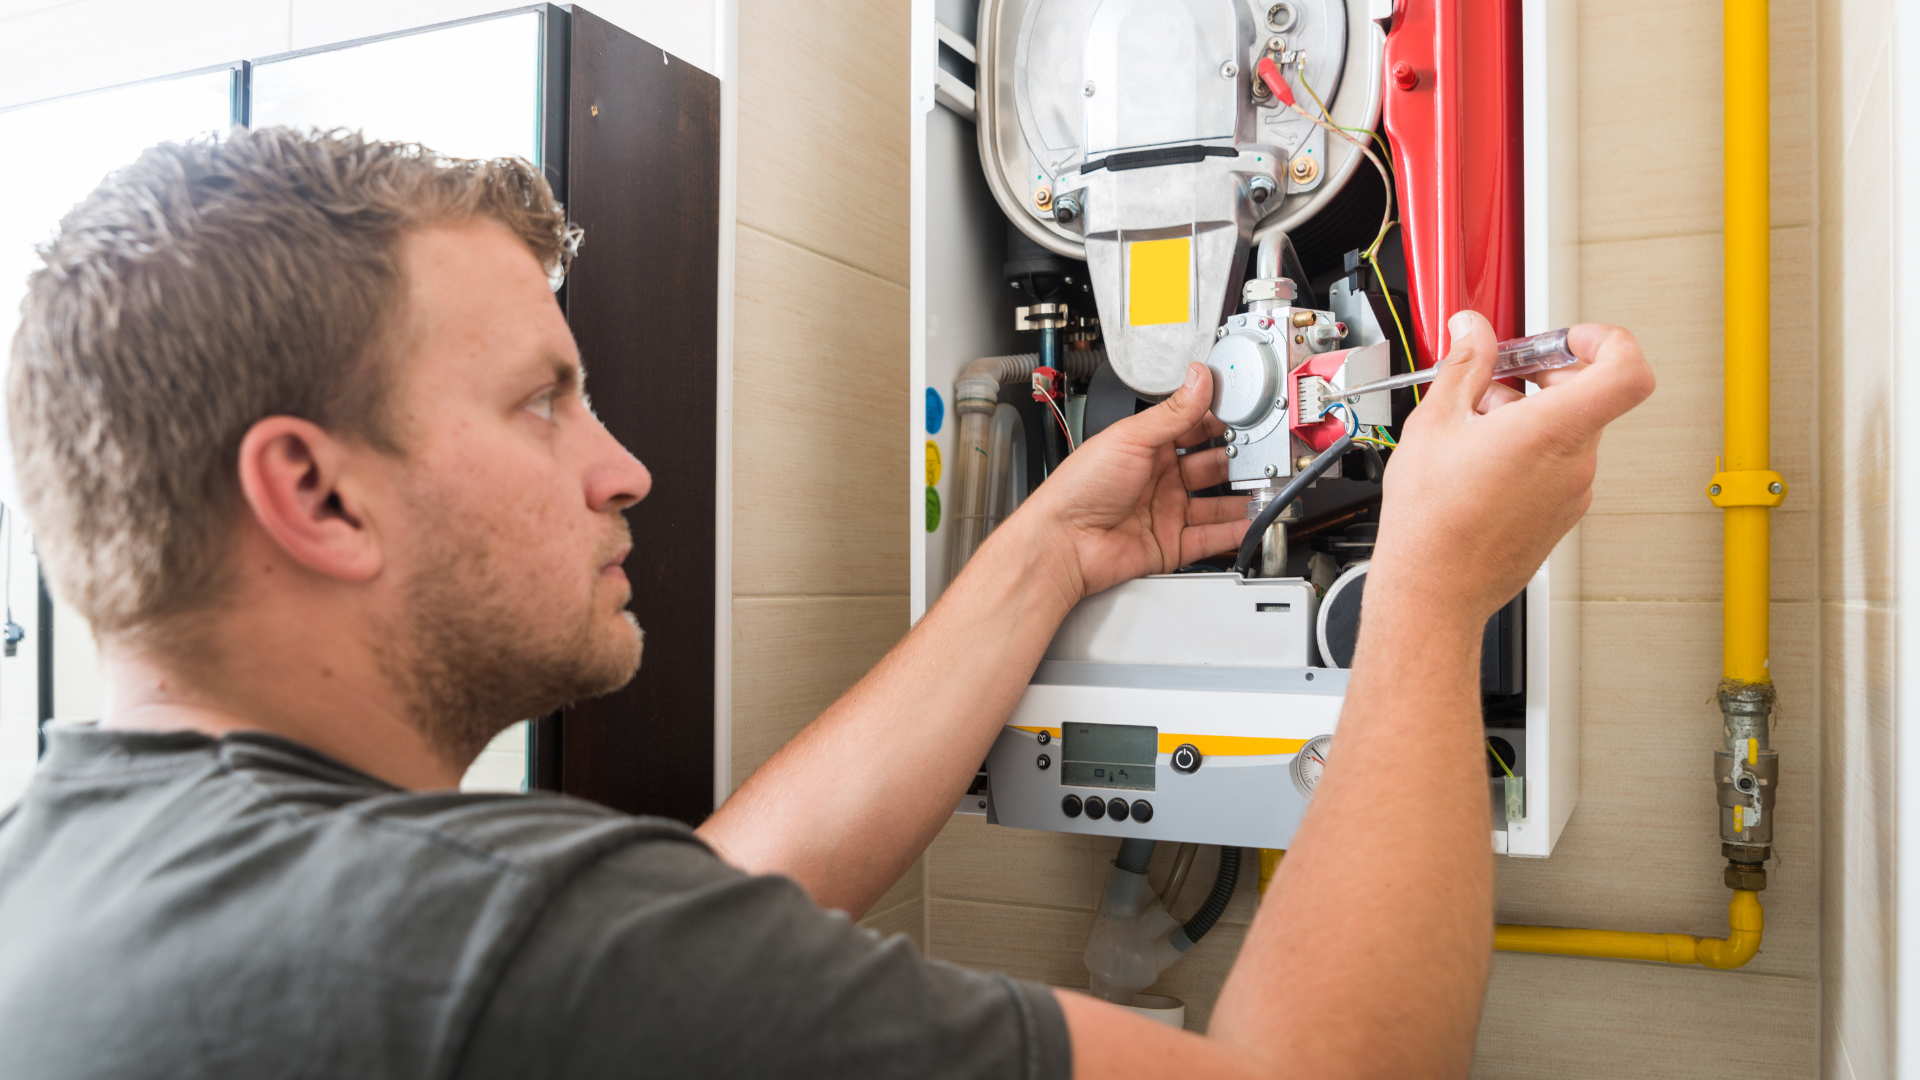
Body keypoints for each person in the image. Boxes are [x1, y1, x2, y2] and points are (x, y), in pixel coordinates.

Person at [0, 128, 1653, 1079]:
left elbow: (720, 895)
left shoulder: (85, 873)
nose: (627, 466)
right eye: (543, 403)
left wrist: (1047, 555)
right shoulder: (479, 950)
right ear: (314, 492)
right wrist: (1434, 587)